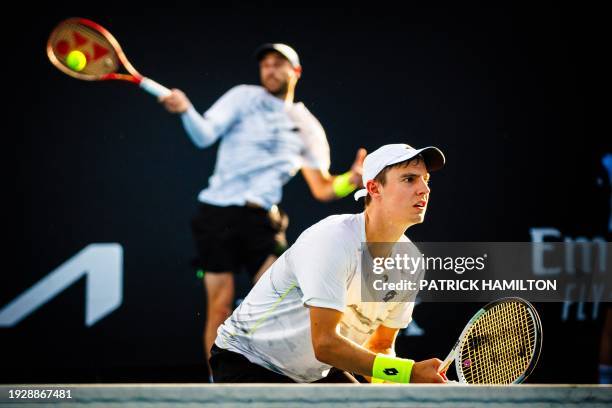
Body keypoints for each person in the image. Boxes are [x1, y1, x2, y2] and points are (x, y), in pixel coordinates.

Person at [158, 43, 366, 367]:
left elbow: (323, 187)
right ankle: (220, 386)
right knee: (220, 307)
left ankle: (282, 375)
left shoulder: (307, 126)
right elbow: (203, 136)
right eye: (265, 64)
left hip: (263, 222)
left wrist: (350, 181)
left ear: (294, 72)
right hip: (218, 215)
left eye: (278, 64)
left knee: (285, 301)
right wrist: (186, 110)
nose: (270, 70)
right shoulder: (243, 97)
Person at [209, 143, 448, 383]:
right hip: (248, 361)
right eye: (409, 179)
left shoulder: (411, 262)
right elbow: (324, 344)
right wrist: (408, 373)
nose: (424, 189)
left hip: (317, 372)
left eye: (426, 179)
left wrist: (398, 386)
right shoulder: (333, 239)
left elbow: (380, 346)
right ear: (375, 189)